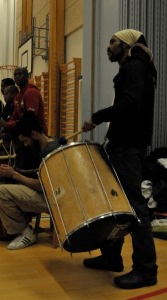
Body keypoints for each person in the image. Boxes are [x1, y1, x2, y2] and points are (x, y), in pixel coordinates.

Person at [82, 29, 158, 289]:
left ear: (126, 45)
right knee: (113, 205)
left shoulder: (136, 66)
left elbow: (129, 105)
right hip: (122, 146)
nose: (108, 46)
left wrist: (98, 116)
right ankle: (112, 257)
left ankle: (146, 270)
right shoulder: (132, 67)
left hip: (128, 148)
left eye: (113, 42)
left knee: (136, 209)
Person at [0, 111, 61, 250]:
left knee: (0, 192)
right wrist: (18, 171)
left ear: (34, 134)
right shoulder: (45, 146)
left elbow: (43, 186)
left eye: (25, 140)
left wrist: (15, 175)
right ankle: (24, 229)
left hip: (54, 200)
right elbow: (38, 173)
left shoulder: (51, 151)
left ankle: (25, 232)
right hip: (50, 196)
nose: (24, 145)